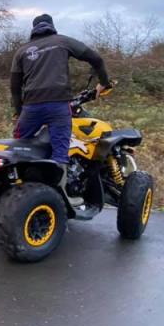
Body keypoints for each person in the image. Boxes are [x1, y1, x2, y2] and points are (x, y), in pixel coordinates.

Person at [10, 14, 112, 204]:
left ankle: (14, 189)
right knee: (60, 150)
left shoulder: (22, 51)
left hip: (31, 108)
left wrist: (18, 111)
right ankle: (62, 197)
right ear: (51, 26)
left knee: (18, 146)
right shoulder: (62, 41)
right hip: (58, 105)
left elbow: (15, 88)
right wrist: (104, 83)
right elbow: (96, 59)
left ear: (33, 29)